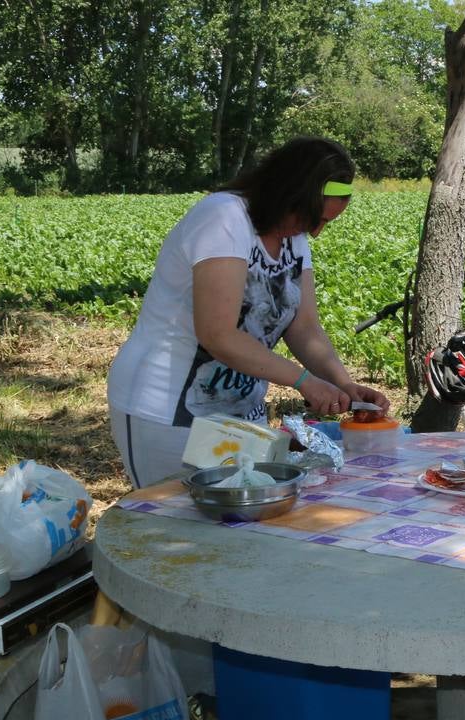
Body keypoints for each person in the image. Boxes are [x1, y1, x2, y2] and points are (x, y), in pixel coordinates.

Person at [107, 136, 388, 489]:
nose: (316, 232)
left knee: (234, 531)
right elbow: (217, 334)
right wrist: (303, 381)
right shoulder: (224, 217)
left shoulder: (293, 237)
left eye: (325, 223)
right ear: (288, 193)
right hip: (167, 411)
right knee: (174, 529)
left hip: (238, 415)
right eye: (314, 218)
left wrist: (343, 384)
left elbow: (305, 328)